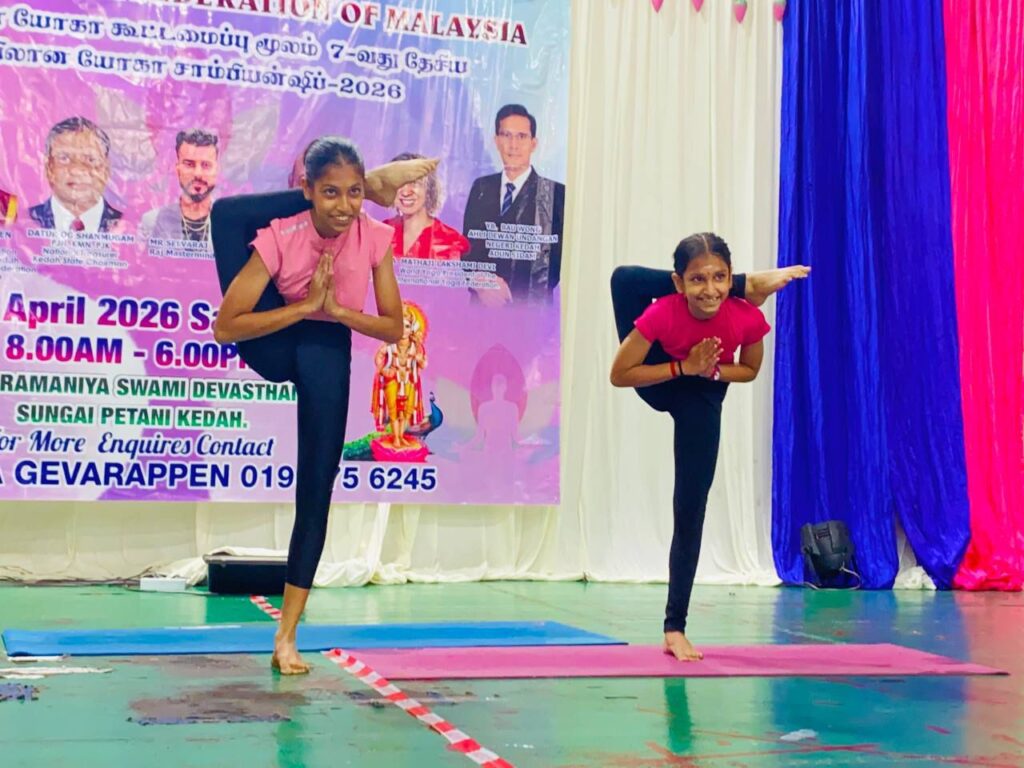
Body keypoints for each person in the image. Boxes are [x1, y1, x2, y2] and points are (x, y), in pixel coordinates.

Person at [211, 138, 436, 674]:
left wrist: (334, 310)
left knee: (317, 487)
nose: (345, 207)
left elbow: (391, 326)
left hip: (326, 342)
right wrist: (305, 306)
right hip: (273, 335)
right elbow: (226, 327)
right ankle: (342, 187)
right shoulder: (282, 233)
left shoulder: (374, 236)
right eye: (330, 193)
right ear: (307, 191)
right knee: (225, 216)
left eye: (356, 193)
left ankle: (286, 635)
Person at [610, 235, 808, 661]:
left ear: (728, 278)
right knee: (624, 279)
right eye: (697, 279)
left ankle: (674, 628)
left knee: (690, 506)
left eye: (721, 278)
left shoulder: (746, 318)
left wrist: (710, 371)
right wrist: (683, 366)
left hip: (702, 393)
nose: (711, 289)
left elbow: (750, 369)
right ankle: (749, 281)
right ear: (678, 283)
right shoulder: (663, 311)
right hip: (660, 376)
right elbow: (620, 374)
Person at [462, 104, 565, 305]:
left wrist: (511, 295)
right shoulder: (481, 187)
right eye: (506, 135)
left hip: (530, 310)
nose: (513, 145)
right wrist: (481, 282)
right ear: (496, 141)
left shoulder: (555, 193)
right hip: (482, 307)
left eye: (521, 136)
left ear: (533, 143)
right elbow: (467, 247)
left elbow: (556, 262)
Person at [30, 117, 124, 233]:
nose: (77, 170)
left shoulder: (127, 225)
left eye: (90, 159)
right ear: (49, 167)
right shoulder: (25, 221)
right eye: (64, 158)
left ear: (106, 168)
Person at [384, 152, 469, 260]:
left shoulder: (451, 241)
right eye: (399, 183)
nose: (405, 192)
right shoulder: (382, 233)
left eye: (414, 183)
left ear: (429, 189)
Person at [140, 129, 219, 242]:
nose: (198, 174)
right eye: (189, 164)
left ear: (216, 170)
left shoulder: (232, 222)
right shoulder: (152, 221)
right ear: (177, 169)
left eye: (206, 165)